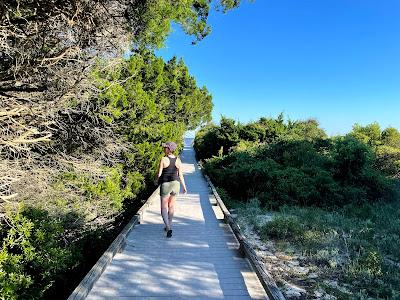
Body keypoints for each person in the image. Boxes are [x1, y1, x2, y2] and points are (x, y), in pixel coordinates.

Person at [156, 141, 187, 238]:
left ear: (169, 149)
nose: (164, 149)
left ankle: (168, 227)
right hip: (176, 184)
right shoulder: (178, 160)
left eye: (165, 148)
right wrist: (184, 187)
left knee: (164, 207)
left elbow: (159, 174)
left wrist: (156, 181)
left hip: (166, 184)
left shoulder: (163, 159)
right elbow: (180, 175)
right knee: (171, 206)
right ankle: (169, 225)